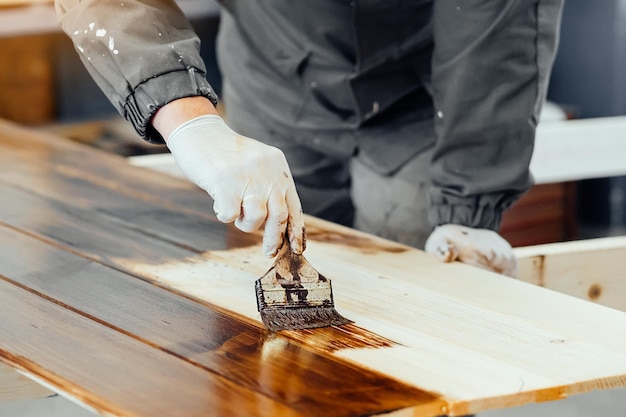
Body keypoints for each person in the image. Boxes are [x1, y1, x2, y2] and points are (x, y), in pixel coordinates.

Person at [54, 1, 563, 278]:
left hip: (424, 86)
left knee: (425, 292)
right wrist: (189, 121)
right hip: (274, 71)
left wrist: (469, 204)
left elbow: (501, 22)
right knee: (273, 295)